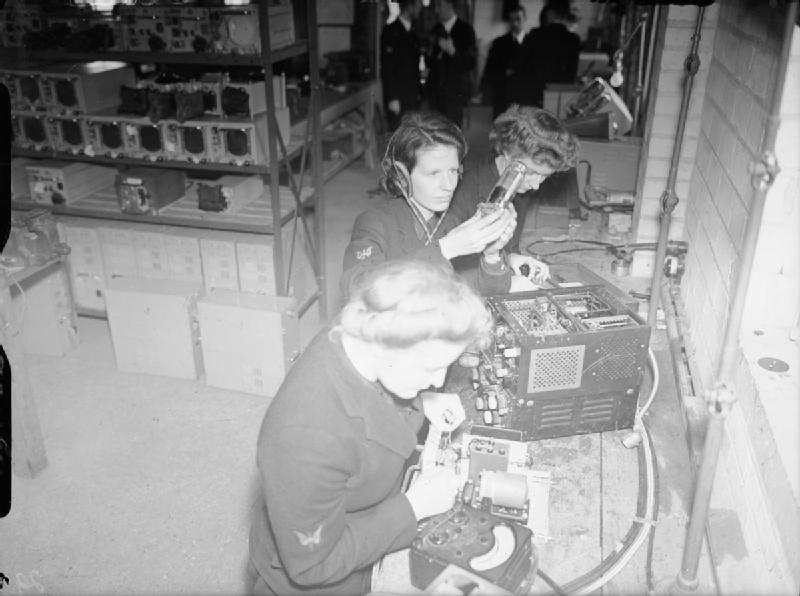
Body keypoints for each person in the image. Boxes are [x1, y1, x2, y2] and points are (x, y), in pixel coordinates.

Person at [248, 259, 493, 596]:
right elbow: (312, 566)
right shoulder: (306, 436)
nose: (439, 381)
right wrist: (414, 507)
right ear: (383, 344)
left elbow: (374, 401)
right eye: (432, 367)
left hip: (364, 515)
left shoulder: (363, 331)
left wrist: (421, 401)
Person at [341, 111, 516, 301]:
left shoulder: (453, 221)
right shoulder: (375, 223)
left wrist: (491, 254)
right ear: (402, 176)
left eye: (453, 171)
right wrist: (446, 249)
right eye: (434, 173)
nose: (448, 185)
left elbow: (489, 293)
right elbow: (360, 291)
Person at [449, 104, 580, 284]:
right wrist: (506, 282)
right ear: (508, 154)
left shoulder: (518, 190)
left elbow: (504, 248)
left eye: (544, 177)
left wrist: (512, 259)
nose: (535, 185)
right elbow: (447, 268)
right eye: (532, 172)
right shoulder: (463, 193)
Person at [425, 0, 477, 128]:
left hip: (455, 94)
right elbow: (428, 62)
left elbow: (471, 63)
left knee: (452, 134)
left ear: (450, 5)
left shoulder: (466, 30)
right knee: (435, 132)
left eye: (439, 5)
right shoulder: (435, 30)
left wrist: (453, 52)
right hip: (435, 94)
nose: (436, 10)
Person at [480, 4, 535, 118]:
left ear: (524, 19)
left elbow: (535, 70)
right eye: (511, 20)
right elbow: (490, 70)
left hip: (524, 95)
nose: (514, 23)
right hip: (503, 95)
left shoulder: (533, 43)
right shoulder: (499, 43)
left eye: (518, 19)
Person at [524, 0, 581, 108]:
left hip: (534, 93)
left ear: (550, 13)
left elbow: (523, 64)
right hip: (560, 94)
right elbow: (572, 73)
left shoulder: (535, 34)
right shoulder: (574, 40)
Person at [380, 0, 423, 131]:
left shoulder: (414, 33)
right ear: (409, 6)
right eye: (417, 6)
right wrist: (392, 97)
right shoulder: (390, 31)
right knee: (397, 134)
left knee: (411, 134)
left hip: (412, 95)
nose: (419, 10)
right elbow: (387, 67)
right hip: (397, 97)